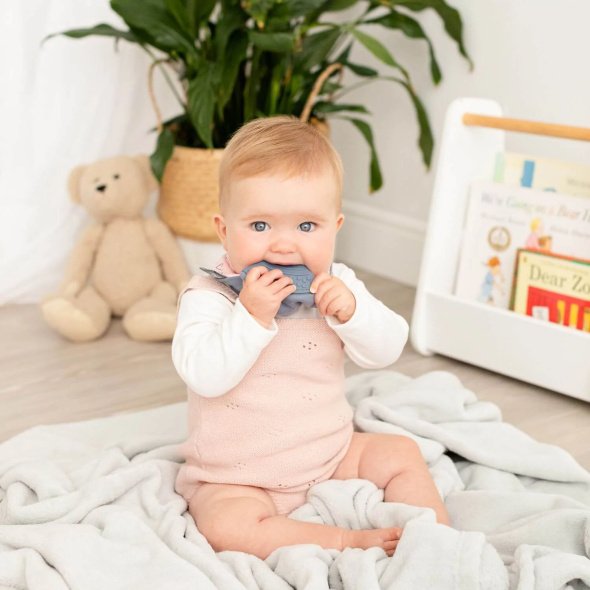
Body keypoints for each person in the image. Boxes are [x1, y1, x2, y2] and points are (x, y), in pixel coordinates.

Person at [172, 116, 450, 560]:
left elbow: (387, 349)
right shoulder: (210, 295)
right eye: (260, 226)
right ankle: (344, 542)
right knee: (224, 527)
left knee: (401, 451)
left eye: (306, 227)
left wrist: (353, 314)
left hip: (329, 451)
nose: (284, 246)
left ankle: (436, 541)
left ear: (335, 227)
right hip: (238, 473)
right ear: (224, 230)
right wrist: (251, 316)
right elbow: (204, 375)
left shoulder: (337, 283)